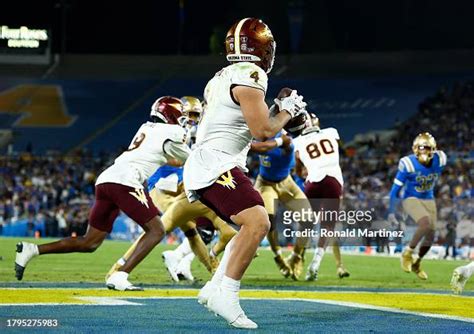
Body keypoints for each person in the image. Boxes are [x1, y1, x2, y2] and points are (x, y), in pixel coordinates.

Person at [183, 18, 306, 329]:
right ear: (263, 49)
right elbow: (262, 130)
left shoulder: (222, 76)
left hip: (213, 161)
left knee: (247, 228)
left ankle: (214, 288)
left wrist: (279, 110)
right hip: (215, 163)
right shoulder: (251, 74)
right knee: (258, 221)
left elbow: (245, 127)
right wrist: (288, 112)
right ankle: (227, 294)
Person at [14, 96, 190, 291]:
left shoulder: (146, 128)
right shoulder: (173, 131)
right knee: (157, 230)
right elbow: (189, 158)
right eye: (180, 115)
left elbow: (162, 158)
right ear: (171, 114)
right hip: (125, 181)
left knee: (90, 242)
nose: (183, 119)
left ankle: (32, 250)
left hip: (107, 179)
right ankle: (120, 276)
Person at [106, 96, 237, 283]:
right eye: (189, 114)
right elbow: (174, 159)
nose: (192, 119)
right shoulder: (172, 132)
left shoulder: (186, 132)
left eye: (195, 115)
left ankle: (213, 271)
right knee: (159, 229)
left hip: (180, 185)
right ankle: (118, 268)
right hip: (161, 186)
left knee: (192, 231)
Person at [293, 113, 349, 281]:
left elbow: (298, 168)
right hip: (333, 180)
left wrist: (304, 170)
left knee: (305, 223)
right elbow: (341, 149)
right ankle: (315, 264)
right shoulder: (332, 132)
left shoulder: (297, 142)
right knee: (328, 226)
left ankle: (297, 257)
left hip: (313, 182)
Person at [251, 131, 312, 280]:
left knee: (308, 220)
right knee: (269, 220)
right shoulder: (263, 133)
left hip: (286, 183)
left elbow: (263, 147)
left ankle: (296, 256)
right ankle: (278, 256)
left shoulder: (287, 143)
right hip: (265, 183)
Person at [388, 132, 447, 280]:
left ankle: (417, 263)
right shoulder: (408, 164)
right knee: (425, 223)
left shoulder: (440, 159)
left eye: (427, 148)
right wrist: (391, 211)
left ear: (433, 149)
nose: (423, 152)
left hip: (429, 198)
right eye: (420, 148)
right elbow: (394, 190)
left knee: (431, 236)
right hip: (411, 198)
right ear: (415, 148)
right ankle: (407, 253)